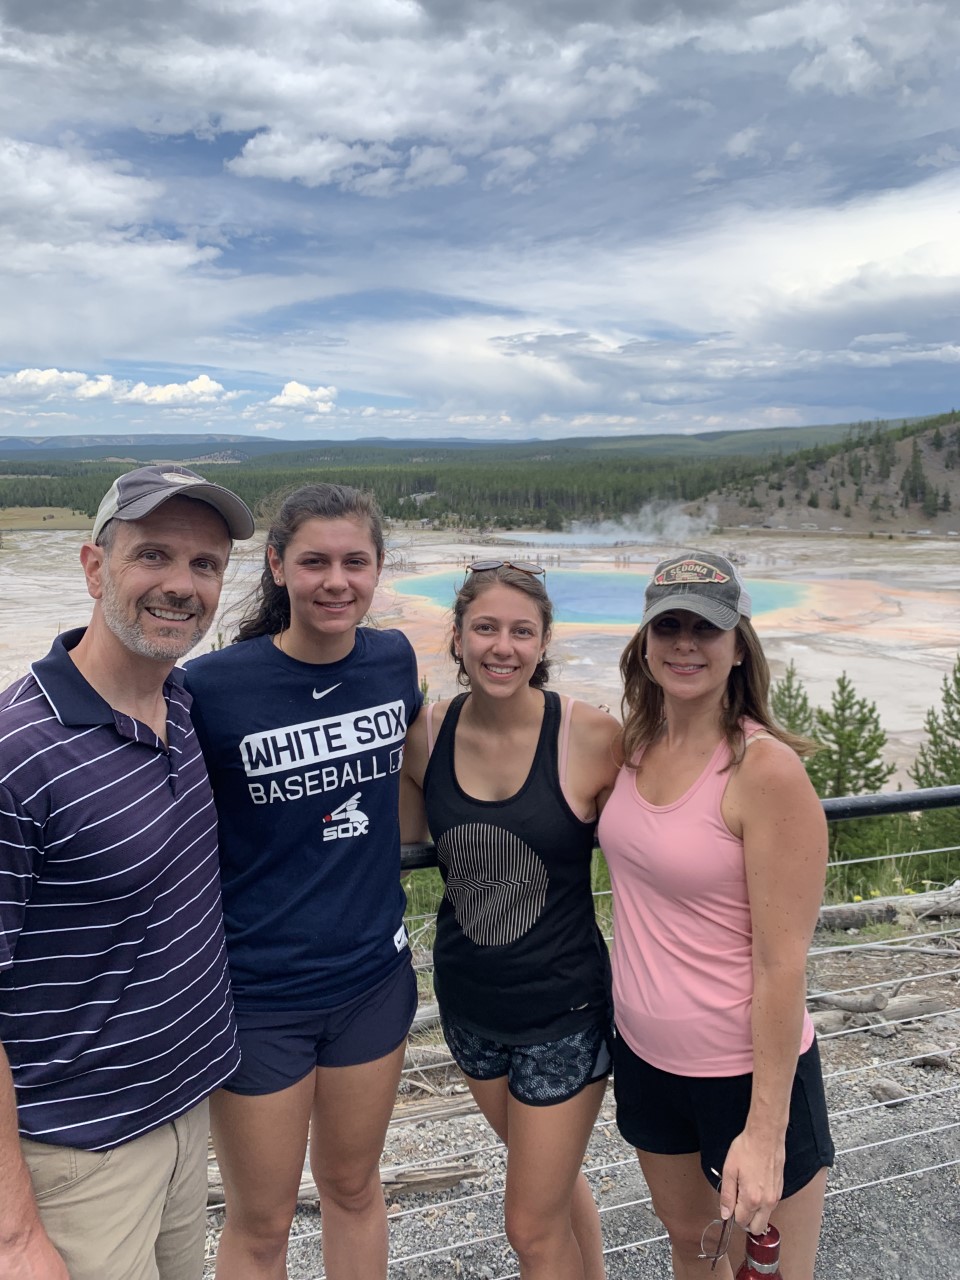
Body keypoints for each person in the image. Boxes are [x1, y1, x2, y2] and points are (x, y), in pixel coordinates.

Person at [0, 464, 255, 1280]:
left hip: (185, 1115)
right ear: (93, 565)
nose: (181, 586)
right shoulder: (19, 755)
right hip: (76, 1161)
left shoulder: (181, 704)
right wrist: (14, 1237)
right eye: (153, 556)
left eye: (205, 565)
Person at [183, 483, 422, 1280]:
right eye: (314, 561)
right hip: (259, 996)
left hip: (371, 982)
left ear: (378, 568)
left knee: (354, 1187)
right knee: (262, 1222)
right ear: (278, 567)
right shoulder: (213, 688)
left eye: (355, 562)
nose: (336, 581)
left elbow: (421, 778)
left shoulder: (394, 660)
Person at [597, 551, 834, 1280]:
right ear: (644, 641)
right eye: (668, 626)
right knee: (688, 1245)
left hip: (745, 1074)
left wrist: (765, 1131)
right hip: (644, 1056)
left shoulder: (764, 772)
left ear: (739, 646)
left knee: (767, 1269)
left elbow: (780, 960)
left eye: (707, 627)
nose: (686, 644)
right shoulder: (632, 746)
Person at [401, 561, 620, 1280]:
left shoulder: (589, 736)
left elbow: (662, 840)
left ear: (545, 640)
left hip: (564, 1011)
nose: (503, 646)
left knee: (528, 1224)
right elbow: (399, 838)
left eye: (521, 631)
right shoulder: (426, 734)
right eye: (486, 628)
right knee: (549, 1192)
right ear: (458, 637)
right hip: (470, 1006)